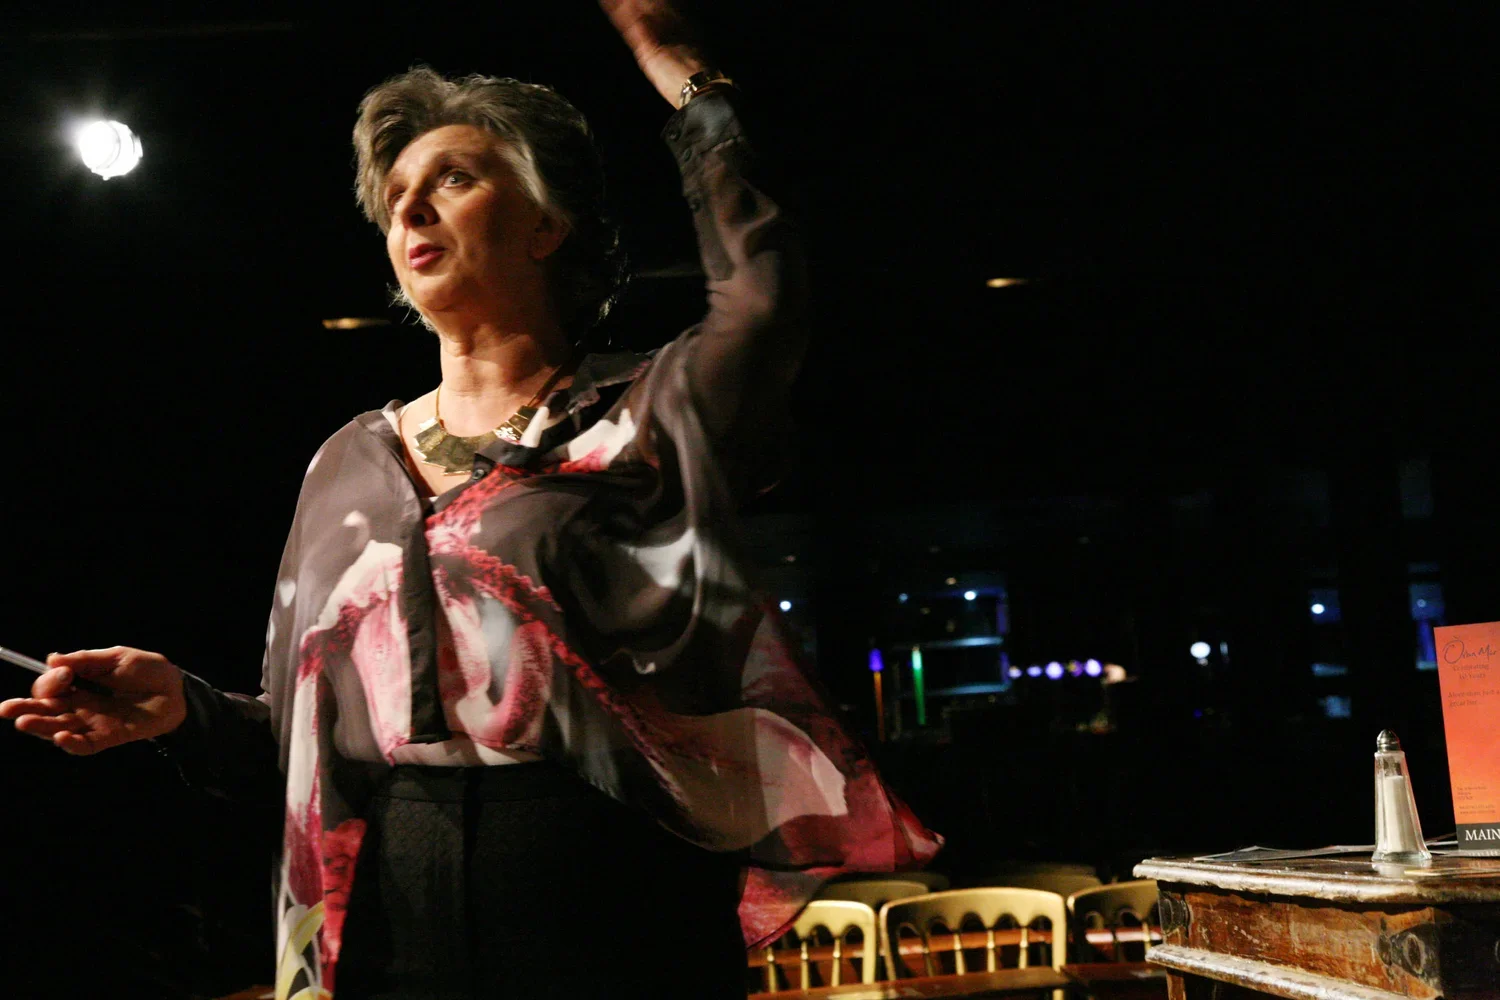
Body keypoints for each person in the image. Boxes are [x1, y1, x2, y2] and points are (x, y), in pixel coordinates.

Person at [1, 2, 942, 996]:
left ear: (547, 225)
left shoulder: (644, 414)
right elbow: (305, 736)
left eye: (453, 178)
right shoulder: (348, 463)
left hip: (607, 882)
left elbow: (762, 301)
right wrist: (181, 710)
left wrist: (693, 87)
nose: (411, 209)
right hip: (394, 902)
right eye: (397, 194)